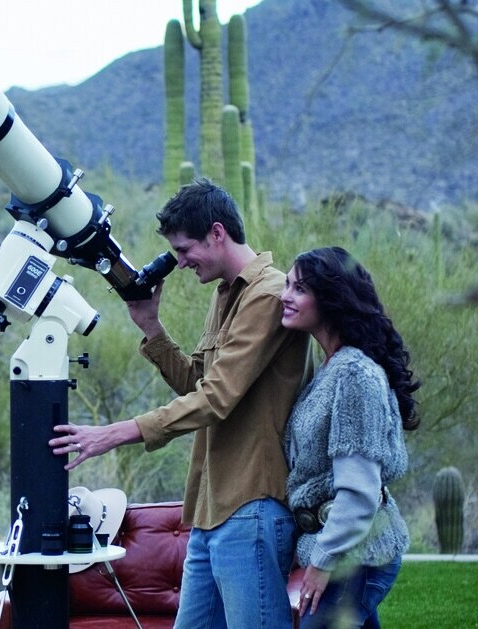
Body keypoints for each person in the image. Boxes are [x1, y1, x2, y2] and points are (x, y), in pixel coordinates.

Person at [50, 178, 313, 628]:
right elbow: (198, 382)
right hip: (210, 507)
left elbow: (217, 397)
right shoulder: (224, 293)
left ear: (217, 233)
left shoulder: (267, 295)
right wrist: (151, 328)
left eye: (185, 249)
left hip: (250, 504)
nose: (181, 262)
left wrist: (118, 433)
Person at [280, 246, 420, 628]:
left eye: (298, 289)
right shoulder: (331, 369)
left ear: (331, 299)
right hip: (345, 553)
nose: (284, 296)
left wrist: (324, 560)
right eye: (286, 285)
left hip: (356, 557)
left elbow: (358, 492)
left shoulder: (354, 375)